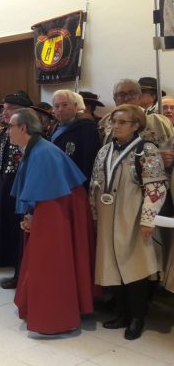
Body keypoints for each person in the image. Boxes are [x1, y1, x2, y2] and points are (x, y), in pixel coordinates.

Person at [9, 107, 94, 335]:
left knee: (50, 259)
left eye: (11, 126)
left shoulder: (42, 152)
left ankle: (54, 317)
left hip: (55, 208)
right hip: (53, 204)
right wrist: (29, 213)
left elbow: (46, 192)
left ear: (23, 128)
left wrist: (32, 216)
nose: (7, 131)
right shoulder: (34, 148)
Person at [90, 104, 167, 340]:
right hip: (106, 217)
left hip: (132, 216)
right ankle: (122, 313)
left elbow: (156, 188)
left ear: (136, 126)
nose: (115, 126)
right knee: (111, 264)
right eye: (114, 121)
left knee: (135, 269)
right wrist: (94, 213)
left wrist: (147, 220)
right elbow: (94, 182)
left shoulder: (147, 151)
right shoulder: (105, 150)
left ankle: (137, 318)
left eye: (122, 122)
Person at [0, 94, 27, 289]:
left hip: (16, 185)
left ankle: (20, 273)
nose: (3, 112)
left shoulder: (28, 134)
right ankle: (9, 265)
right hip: (1, 181)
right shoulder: (3, 132)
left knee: (17, 230)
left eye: (8, 108)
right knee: (3, 224)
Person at [99, 79, 174, 146]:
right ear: (115, 99)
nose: (126, 98)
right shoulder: (106, 120)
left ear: (140, 97)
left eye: (131, 94)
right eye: (121, 95)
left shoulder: (158, 121)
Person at [49, 89, 101, 182]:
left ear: (75, 106)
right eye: (56, 106)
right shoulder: (55, 126)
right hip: (56, 178)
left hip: (76, 182)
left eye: (65, 105)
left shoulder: (87, 127)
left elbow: (89, 160)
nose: (60, 109)